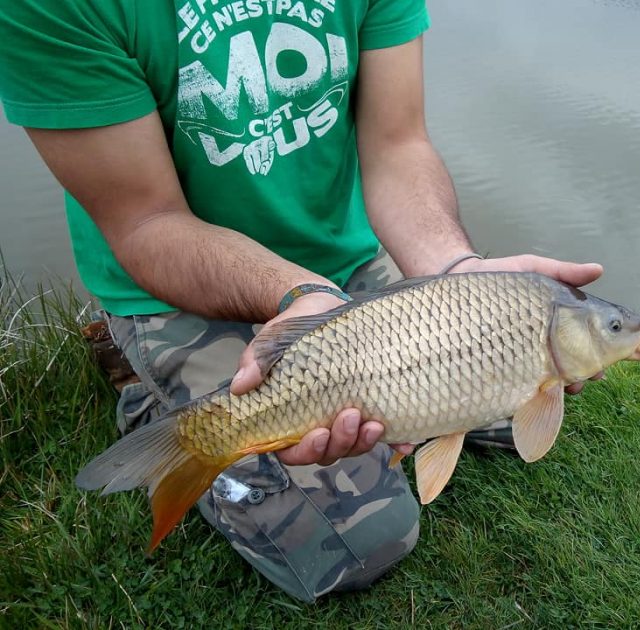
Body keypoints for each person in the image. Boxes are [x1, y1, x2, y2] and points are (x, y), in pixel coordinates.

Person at [0, 0, 603, 601]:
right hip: (176, 278)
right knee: (368, 541)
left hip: (344, 266)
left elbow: (396, 146)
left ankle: (386, 395)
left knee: (510, 391)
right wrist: (300, 296)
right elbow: (146, 222)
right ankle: (145, 381)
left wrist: (459, 275)